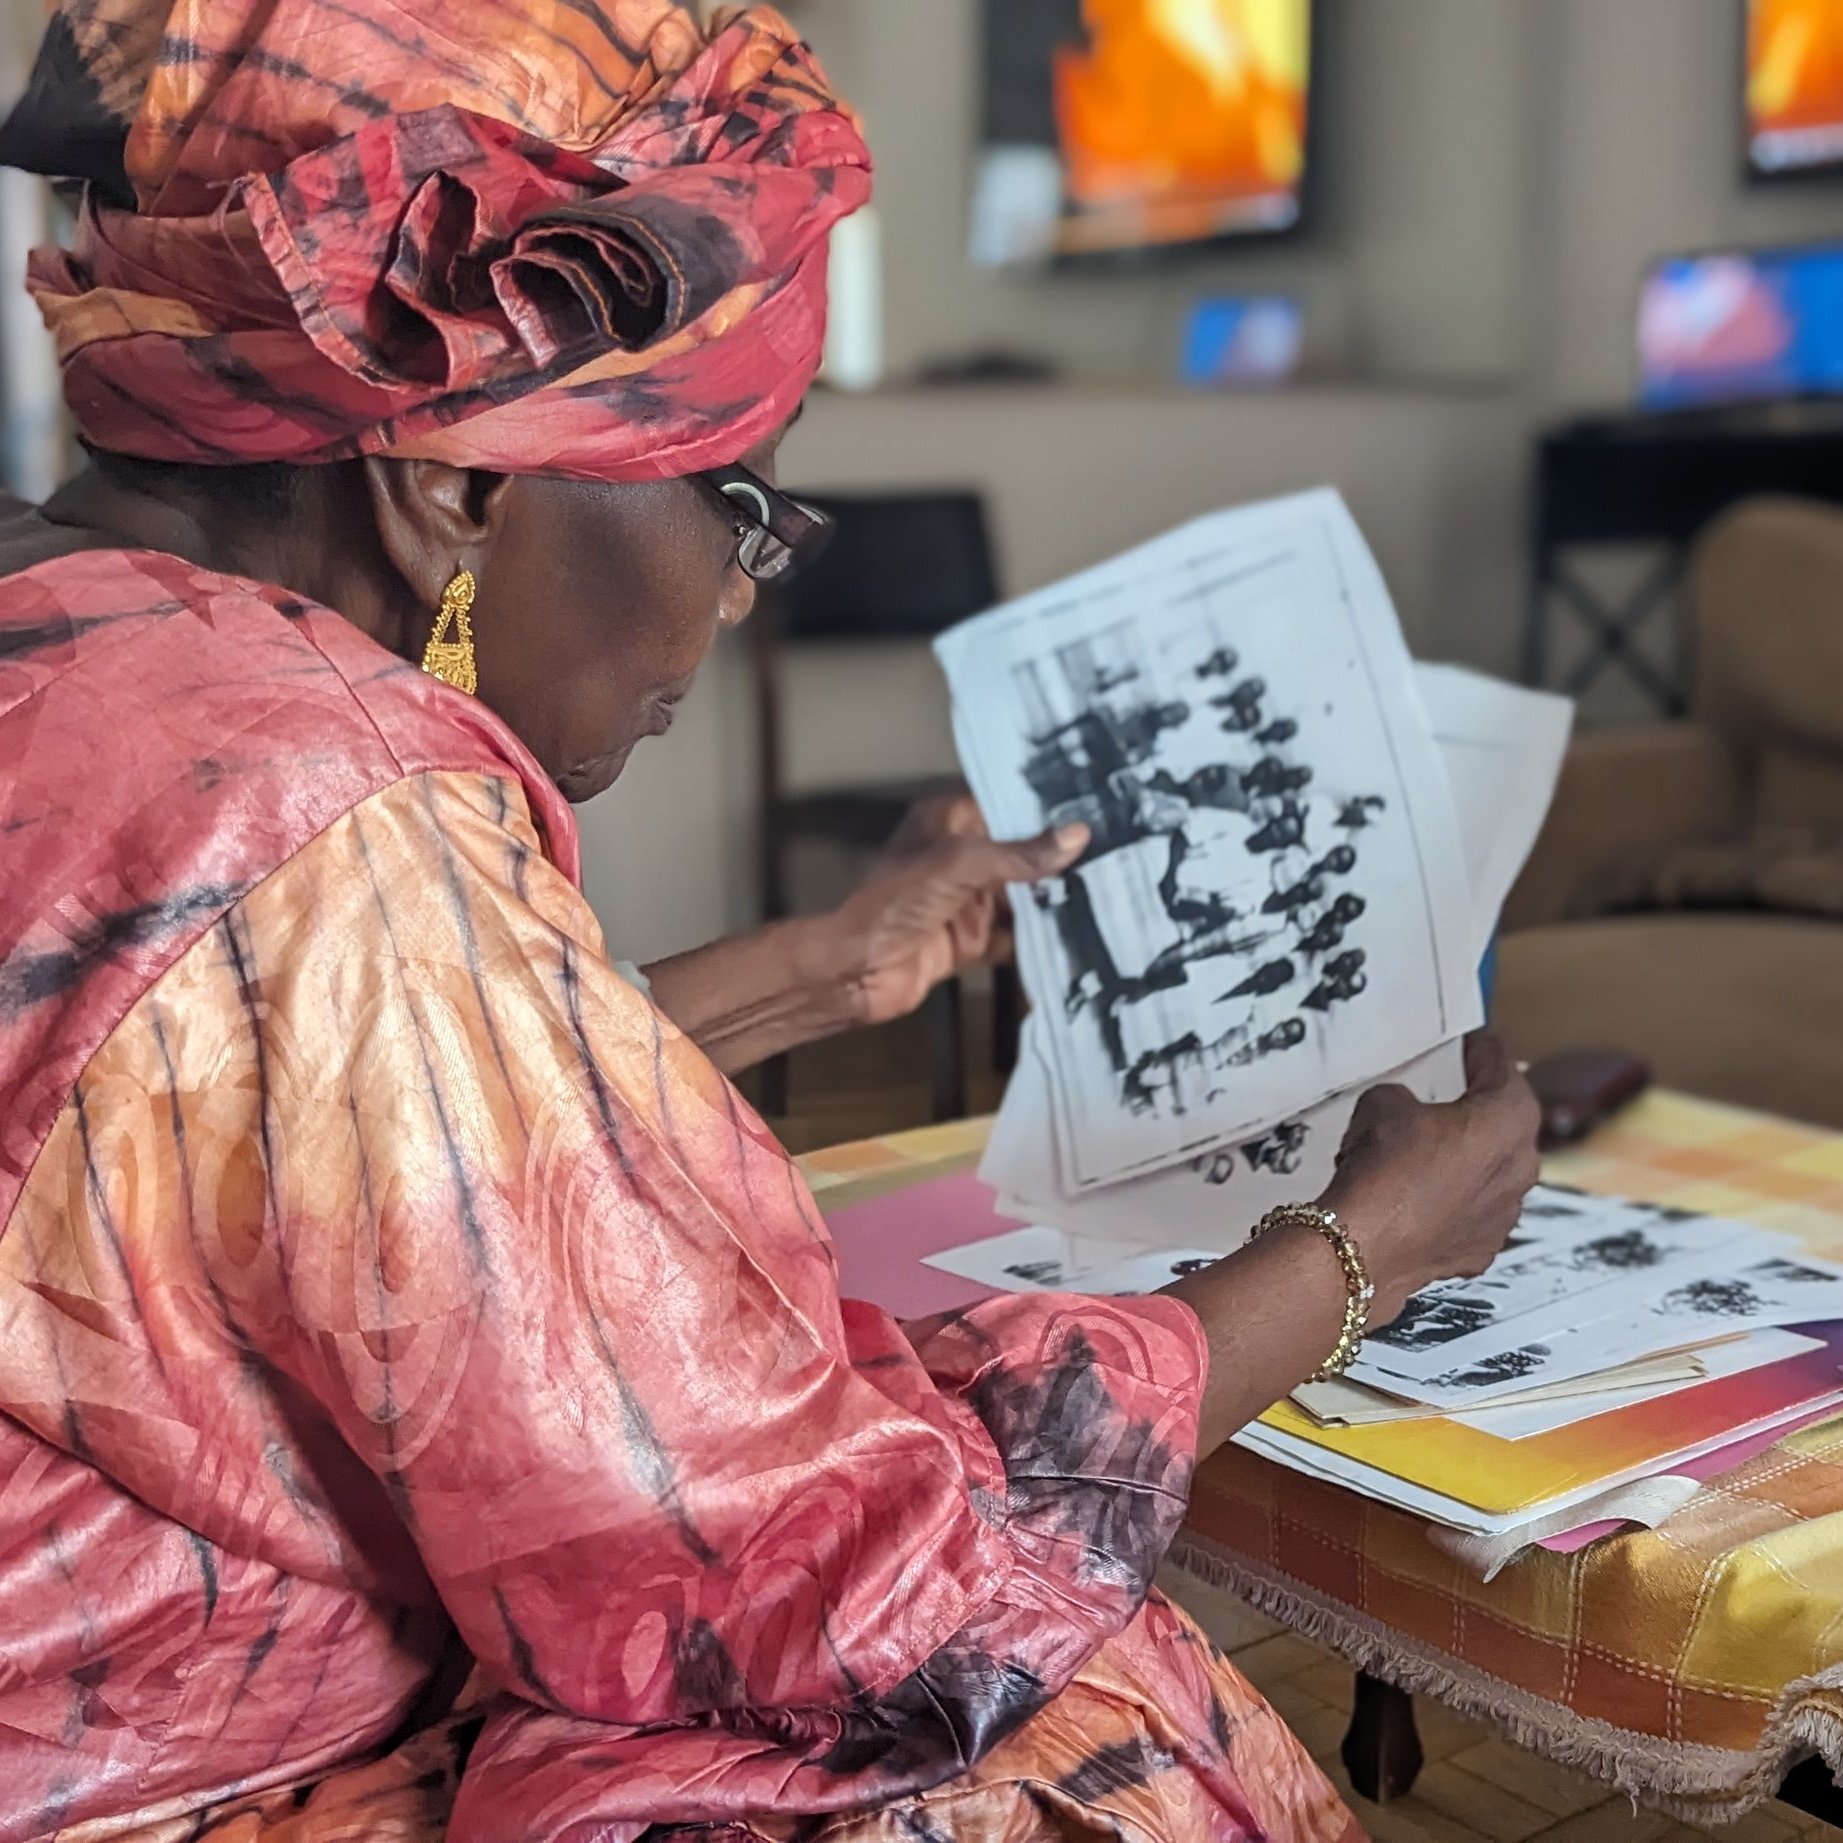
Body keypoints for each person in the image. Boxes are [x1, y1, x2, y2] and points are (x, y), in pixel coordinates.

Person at [0, 4, 1542, 1840]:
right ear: (459, 489)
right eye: (738, 502)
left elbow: (282, 1147)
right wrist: (1365, 1246)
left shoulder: (85, 640)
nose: (737, 600)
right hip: (172, 1794)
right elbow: (815, 1572)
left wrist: (829, 962)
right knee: (1027, 1752)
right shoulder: (333, 810)